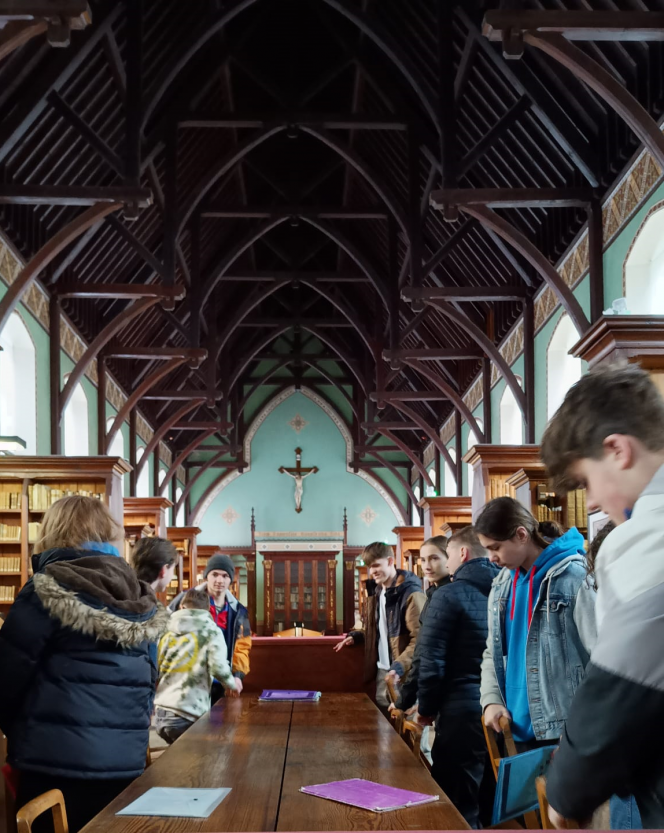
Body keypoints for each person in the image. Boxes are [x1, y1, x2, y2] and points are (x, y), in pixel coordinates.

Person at [540, 364, 664, 829]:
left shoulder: (647, 536)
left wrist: (567, 792)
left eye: (587, 481)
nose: (590, 502)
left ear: (617, 450)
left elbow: (619, 685)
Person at [0, 496, 168, 833]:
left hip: (53, 766)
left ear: (52, 533)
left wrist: (17, 730)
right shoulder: (139, 596)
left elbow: (6, 677)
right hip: (125, 768)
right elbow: (150, 681)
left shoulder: (44, 590)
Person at [476, 497, 596, 752]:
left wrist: (584, 724)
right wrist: (491, 699)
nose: (491, 558)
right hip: (514, 728)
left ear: (521, 535)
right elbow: (492, 651)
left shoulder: (574, 578)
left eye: (495, 547)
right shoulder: (501, 585)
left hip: (564, 732)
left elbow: (602, 659)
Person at [414, 527, 498, 828]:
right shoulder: (508, 585)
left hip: (460, 709)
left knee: (455, 801)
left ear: (462, 553)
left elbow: (431, 660)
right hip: (501, 707)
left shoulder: (448, 594)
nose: (447, 563)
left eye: (447, 554)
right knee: (491, 798)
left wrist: (425, 708)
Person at [334, 542, 425, 711]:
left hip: (404, 674)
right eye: (369, 566)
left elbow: (420, 641)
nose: (372, 571)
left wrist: (398, 666)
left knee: (407, 729)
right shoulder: (377, 592)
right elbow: (377, 627)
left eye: (376, 565)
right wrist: (356, 636)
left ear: (390, 561)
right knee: (384, 730)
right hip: (382, 670)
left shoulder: (411, 593)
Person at [154, 588, 238, 743]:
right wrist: (232, 684)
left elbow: (155, 667)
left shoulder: (165, 630)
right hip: (188, 712)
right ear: (208, 610)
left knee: (179, 758)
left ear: (181, 606)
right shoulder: (210, 631)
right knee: (204, 759)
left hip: (161, 712)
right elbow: (218, 667)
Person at [170, 553, 251, 701]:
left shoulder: (240, 611)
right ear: (206, 575)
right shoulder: (185, 599)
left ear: (231, 580)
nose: (219, 580)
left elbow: (242, 647)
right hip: (185, 682)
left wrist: (237, 676)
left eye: (225, 576)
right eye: (215, 574)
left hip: (220, 684)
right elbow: (164, 630)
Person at [396, 535, 451, 714]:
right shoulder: (433, 592)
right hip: (434, 689)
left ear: (449, 558)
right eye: (423, 560)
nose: (427, 566)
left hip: (445, 691)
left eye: (434, 558)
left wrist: (407, 700)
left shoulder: (446, 595)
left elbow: (427, 652)